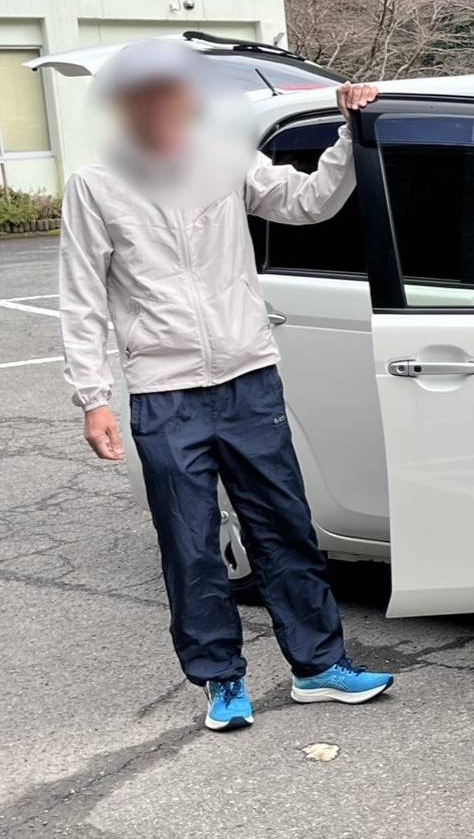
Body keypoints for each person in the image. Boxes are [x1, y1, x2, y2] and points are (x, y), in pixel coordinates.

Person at [59, 39, 390, 732]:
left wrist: (346, 131)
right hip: (164, 390)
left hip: (248, 378)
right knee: (191, 543)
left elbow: (307, 204)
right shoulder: (96, 185)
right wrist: (92, 397)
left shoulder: (224, 160)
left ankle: (318, 668)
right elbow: (83, 297)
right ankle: (220, 680)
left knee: (285, 529)